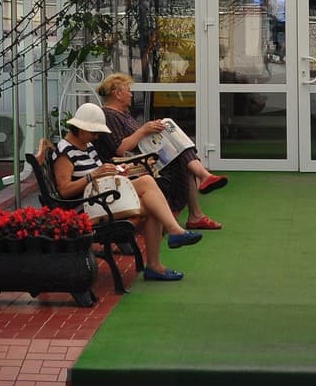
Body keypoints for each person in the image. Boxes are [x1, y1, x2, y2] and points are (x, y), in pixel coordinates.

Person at [47, 102, 202, 282]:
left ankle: (163, 251)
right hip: (89, 207)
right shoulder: (65, 152)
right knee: (150, 193)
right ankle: (165, 247)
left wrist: (121, 170)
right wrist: (93, 175)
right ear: (81, 130)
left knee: (149, 190)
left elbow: (99, 173)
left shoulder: (86, 145)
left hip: (102, 198)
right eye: (94, 133)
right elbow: (65, 191)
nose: (96, 137)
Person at [92, 72, 227, 231]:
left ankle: (198, 202)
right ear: (118, 94)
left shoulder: (124, 114)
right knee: (182, 157)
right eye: (128, 90)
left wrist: (154, 129)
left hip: (145, 157)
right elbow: (120, 149)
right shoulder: (109, 115)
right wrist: (144, 130)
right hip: (132, 163)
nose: (131, 94)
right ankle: (200, 193)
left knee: (177, 144)